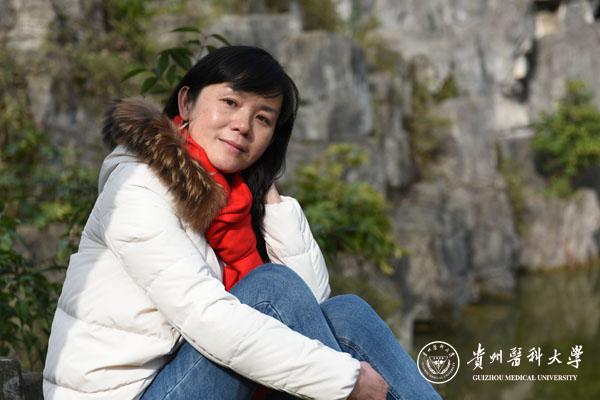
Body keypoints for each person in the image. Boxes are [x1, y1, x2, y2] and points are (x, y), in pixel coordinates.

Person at [43, 45, 440, 400]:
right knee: (271, 288)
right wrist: (347, 381)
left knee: (347, 314)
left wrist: (270, 198)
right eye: (230, 102)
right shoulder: (140, 186)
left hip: (187, 377)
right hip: (133, 394)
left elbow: (311, 307)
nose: (243, 125)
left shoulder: (237, 198)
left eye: (262, 119)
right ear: (186, 103)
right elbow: (209, 318)